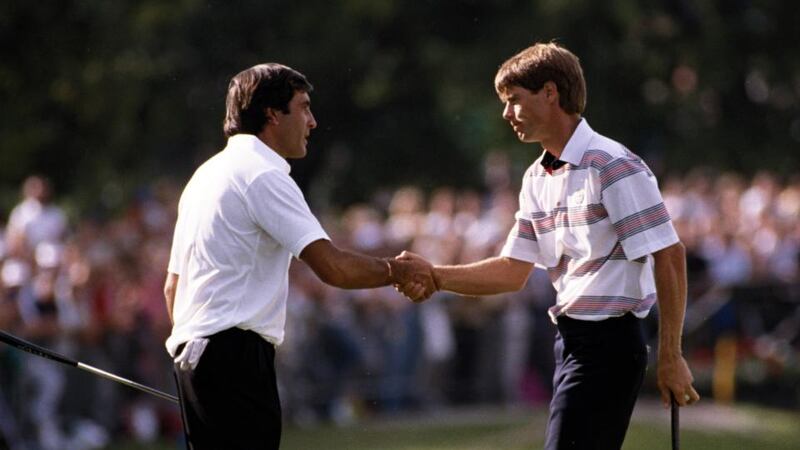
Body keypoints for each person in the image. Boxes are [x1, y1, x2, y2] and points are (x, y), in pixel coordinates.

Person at [398, 42, 699, 449]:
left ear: (550, 93)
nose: (507, 114)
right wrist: (435, 276)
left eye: (514, 100)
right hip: (571, 344)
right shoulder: (536, 178)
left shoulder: (611, 164)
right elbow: (512, 270)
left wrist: (670, 355)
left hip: (610, 344)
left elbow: (669, 254)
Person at [163, 63, 435, 450]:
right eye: (304, 108)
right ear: (273, 114)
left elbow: (172, 288)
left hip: (196, 356)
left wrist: (194, 366)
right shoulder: (263, 174)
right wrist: (399, 271)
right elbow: (333, 267)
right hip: (234, 357)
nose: (313, 121)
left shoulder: (204, 176)